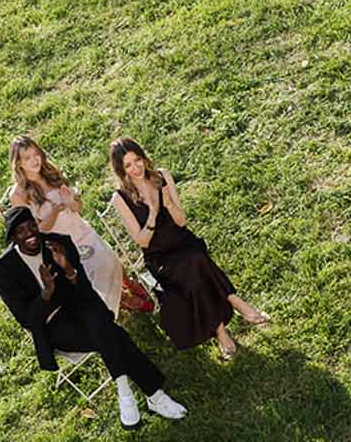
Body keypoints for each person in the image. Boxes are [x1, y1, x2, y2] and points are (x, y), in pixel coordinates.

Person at [0, 206, 186, 428]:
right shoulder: (3, 270)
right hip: (53, 325)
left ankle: (127, 395)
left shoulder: (58, 243)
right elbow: (26, 319)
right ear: (13, 237)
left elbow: (83, 290)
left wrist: (69, 270)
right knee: (114, 334)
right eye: (21, 231)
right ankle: (154, 396)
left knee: (98, 321)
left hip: (79, 305)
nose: (30, 234)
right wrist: (46, 293)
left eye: (31, 226)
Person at [108, 139, 267, 360]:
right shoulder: (121, 198)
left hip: (183, 241)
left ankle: (221, 331)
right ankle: (234, 301)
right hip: (160, 256)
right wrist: (153, 213)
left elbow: (181, 221)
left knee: (194, 261)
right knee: (195, 263)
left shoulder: (161, 176)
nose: (136, 168)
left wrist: (169, 204)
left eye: (138, 160)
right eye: (129, 165)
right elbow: (142, 241)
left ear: (143, 157)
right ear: (121, 170)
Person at [8, 135, 125, 317]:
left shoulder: (51, 171)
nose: (34, 160)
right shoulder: (19, 195)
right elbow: (35, 233)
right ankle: (104, 316)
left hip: (81, 231)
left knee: (111, 263)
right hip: (60, 246)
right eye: (27, 158)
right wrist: (54, 210)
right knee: (89, 278)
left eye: (35, 154)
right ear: (19, 164)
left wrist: (71, 202)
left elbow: (79, 207)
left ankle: (114, 304)